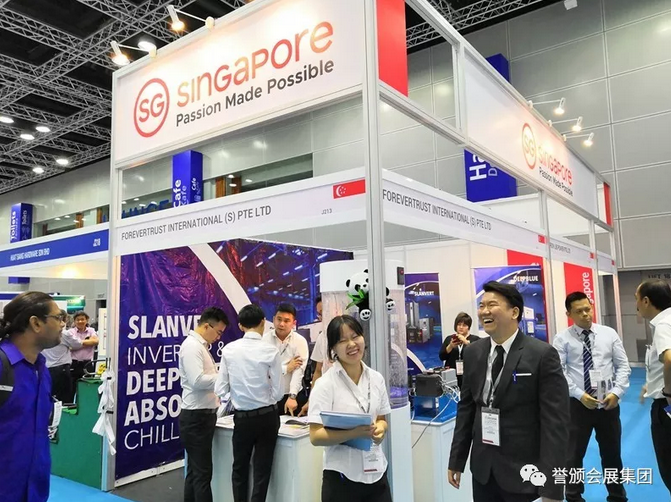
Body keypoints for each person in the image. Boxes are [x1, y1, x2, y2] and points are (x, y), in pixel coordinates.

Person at [448, 281, 569, 502]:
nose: (484, 311)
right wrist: (457, 459)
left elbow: (555, 425)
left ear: (514, 312)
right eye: (481, 305)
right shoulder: (473, 352)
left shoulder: (542, 355)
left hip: (523, 471)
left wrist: (551, 487)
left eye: (492, 305)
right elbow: (466, 409)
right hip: (483, 470)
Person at [553, 292, 630, 502]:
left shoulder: (608, 334)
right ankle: (574, 497)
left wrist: (617, 392)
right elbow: (559, 372)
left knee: (612, 454)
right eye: (579, 311)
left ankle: (617, 496)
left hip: (608, 403)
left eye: (588, 309)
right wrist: (579, 395)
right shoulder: (562, 339)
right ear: (569, 314)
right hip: (577, 406)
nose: (585, 314)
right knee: (573, 456)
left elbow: (623, 365)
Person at [308, 315, 392, 502]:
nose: (352, 344)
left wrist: (380, 429)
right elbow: (315, 435)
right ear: (333, 349)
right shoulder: (325, 385)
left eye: (355, 336)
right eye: (342, 340)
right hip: (342, 477)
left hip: (377, 473)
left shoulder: (376, 378)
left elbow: (381, 419)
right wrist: (354, 433)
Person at [215, 304, 283, 502]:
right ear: (263, 323)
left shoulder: (229, 350)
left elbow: (220, 388)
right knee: (262, 468)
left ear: (240, 326)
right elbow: (279, 393)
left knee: (239, 467)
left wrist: (238, 393)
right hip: (268, 416)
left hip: (242, 418)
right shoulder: (271, 351)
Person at [0, 292, 63, 502]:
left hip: (34, 488)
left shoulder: (41, 368)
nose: (63, 324)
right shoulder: (3, 366)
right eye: (58, 317)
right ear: (36, 323)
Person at [178, 307, 229, 502]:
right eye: (218, 332)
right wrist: (224, 377)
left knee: (195, 471)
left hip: (202, 415)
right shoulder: (192, 347)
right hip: (196, 417)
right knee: (202, 473)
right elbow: (197, 380)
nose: (219, 337)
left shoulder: (201, 346)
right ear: (207, 326)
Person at [635, 279, 671, 495]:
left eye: (637, 299)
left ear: (646, 301)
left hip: (665, 409)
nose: (636, 305)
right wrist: (652, 383)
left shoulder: (663, 325)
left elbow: (669, 359)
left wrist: (668, 395)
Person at [262, 303, 309, 416]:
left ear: (294, 323)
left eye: (287, 321)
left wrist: (292, 396)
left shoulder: (300, 341)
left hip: (293, 395)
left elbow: (298, 371)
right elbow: (264, 370)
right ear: (273, 319)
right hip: (269, 396)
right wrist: (287, 368)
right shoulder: (264, 340)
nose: (281, 324)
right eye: (279, 319)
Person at [43, 310, 82, 403]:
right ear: (64, 320)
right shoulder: (64, 334)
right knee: (65, 399)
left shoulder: (43, 333)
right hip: (61, 370)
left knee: (50, 396)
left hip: (46, 369)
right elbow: (78, 344)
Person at [439, 312, 480, 388]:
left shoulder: (475, 339)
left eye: (464, 325)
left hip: (469, 375)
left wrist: (466, 342)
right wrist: (450, 346)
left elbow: (479, 355)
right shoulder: (449, 339)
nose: (461, 327)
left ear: (468, 327)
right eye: (459, 325)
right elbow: (442, 356)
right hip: (452, 375)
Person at [68, 311, 99, 397]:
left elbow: (96, 341)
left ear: (87, 320)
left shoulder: (91, 330)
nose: (80, 321)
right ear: (74, 321)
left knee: (88, 389)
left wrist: (77, 343)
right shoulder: (70, 332)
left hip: (87, 364)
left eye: (82, 319)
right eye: (78, 320)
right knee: (71, 390)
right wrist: (88, 342)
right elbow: (70, 347)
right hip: (74, 364)